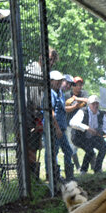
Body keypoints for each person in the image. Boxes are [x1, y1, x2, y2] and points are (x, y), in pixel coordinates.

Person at [25, 47, 58, 178]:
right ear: (41, 57)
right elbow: (33, 98)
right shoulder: (35, 72)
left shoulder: (42, 73)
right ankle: (31, 178)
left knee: (34, 145)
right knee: (30, 145)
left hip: (35, 113)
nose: (49, 62)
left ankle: (32, 178)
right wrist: (37, 116)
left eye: (51, 60)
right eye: (47, 59)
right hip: (29, 113)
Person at [70, 94, 106, 174]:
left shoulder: (101, 114)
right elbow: (72, 123)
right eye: (93, 104)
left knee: (103, 148)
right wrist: (87, 128)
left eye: (97, 103)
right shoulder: (82, 111)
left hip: (93, 137)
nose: (95, 106)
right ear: (89, 104)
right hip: (79, 137)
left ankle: (98, 169)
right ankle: (83, 170)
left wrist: (102, 133)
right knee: (90, 151)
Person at [49, 69, 75, 181]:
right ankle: (55, 176)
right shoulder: (51, 93)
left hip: (61, 128)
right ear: (51, 81)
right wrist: (57, 128)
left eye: (60, 81)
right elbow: (51, 111)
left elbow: (62, 109)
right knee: (53, 152)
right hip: (55, 129)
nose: (59, 83)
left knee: (68, 151)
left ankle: (69, 176)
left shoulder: (60, 94)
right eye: (57, 81)